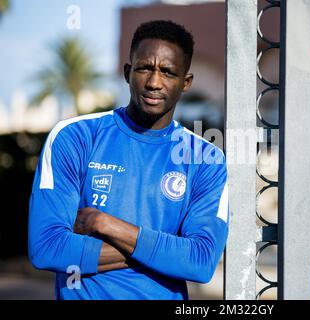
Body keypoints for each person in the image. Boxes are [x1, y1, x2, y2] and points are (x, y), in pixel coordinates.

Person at [28, 20, 229, 300]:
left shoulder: (206, 159)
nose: (154, 82)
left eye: (168, 72)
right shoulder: (75, 137)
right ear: (127, 72)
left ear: (186, 83)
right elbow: (47, 247)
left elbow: (200, 262)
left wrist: (104, 223)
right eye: (144, 68)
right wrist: (164, 250)